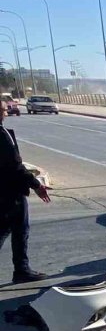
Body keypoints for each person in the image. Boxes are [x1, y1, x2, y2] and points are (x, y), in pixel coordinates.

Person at [0, 98, 51, 283]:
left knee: (5, 228)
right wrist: (36, 185)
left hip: (4, 190)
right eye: (4, 109)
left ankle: (21, 269)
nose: (7, 112)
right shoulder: (2, 135)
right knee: (20, 229)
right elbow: (15, 167)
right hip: (11, 191)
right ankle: (21, 270)